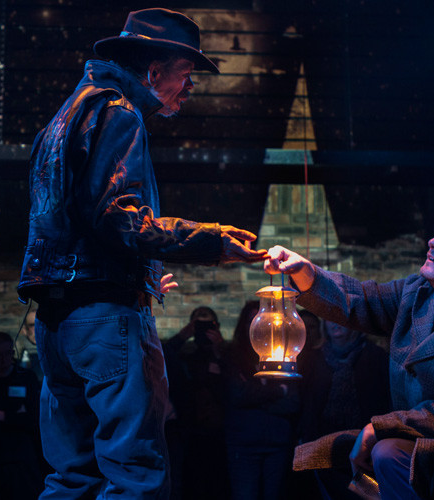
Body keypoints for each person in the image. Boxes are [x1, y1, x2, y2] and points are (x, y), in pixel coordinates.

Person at [16, 8, 266, 499]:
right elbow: (118, 217)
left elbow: (70, 224)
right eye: (185, 74)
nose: (189, 87)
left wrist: (143, 273)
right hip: (105, 320)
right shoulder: (120, 112)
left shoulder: (66, 115)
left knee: (70, 478)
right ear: (153, 72)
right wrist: (212, 240)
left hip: (57, 324)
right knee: (136, 476)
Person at [269, 205, 434, 500]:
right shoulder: (418, 292)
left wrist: (379, 428)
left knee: (386, 453)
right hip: (413, 433)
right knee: (323, 456)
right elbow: (361, 300)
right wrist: (304, 271)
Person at [296, 318, 391, 500]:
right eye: (329, 319)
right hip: (322, 439)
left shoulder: (374, 356)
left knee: (367, 492)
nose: (334, 324)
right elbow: (307, 400)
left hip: (362, 439)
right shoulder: (314, 358)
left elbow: (383, 397)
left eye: (339, 319)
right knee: (328, 490)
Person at [223, 300, 301, 500]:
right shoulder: (234, 357)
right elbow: (237, 395)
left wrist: (256, 396)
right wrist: (278, 391)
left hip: (277, 441)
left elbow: (292, 401)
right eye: (254, 322)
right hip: (244, 442)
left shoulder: (286, 356)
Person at [163, 306, 230, 500]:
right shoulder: (185, 356)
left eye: (208, 324)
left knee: (218, 485)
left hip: (220, 431)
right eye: (198, 324)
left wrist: (219, 352)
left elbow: (230, 386)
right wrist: (182, 336)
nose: (203, 329)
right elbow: (164, 357)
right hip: (189, 431)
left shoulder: (227, 354)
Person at [0, 331, 45, 500]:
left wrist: (3, 416)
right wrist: (15, 415)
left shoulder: (25, 378)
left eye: (8, 353)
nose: (5, 359)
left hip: (21, 458)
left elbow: (33, 418)